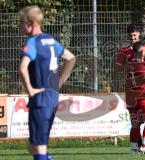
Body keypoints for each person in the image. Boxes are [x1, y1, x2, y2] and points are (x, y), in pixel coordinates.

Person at [18, 6, 76, 160]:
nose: (19, 25)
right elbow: (71, 58)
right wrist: (59, 82)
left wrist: (30, 89)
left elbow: (23, 68)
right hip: (52, 97)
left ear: (30, 23)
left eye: (21, 22)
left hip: (40, 98)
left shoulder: (33, 42)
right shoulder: (51, 40)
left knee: (39, 146)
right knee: (33, 145)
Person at [115, 25, 145, 154]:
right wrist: (127, 66)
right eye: (131, 35)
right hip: (137, 89)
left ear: (139, 35)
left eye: (135, 35)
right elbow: (117, 68)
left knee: (137, 121)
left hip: (143, 89)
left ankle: (137, 148)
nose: (133, 37)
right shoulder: (123, 50)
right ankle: (143, 146)